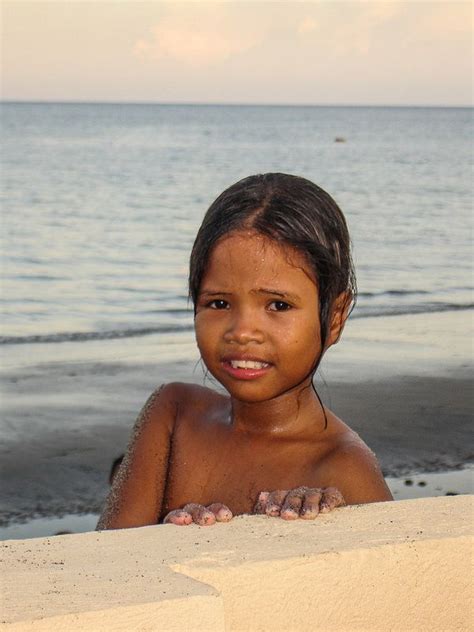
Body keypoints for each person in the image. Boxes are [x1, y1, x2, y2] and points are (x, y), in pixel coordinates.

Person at [97, 173, 392, 530]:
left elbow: (391, 580)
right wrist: (170, 536)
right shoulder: (172, 414)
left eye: (278, 306)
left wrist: (308, 527)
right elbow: (110, 559)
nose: (242, 332)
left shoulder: (345, 469)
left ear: (334, 318)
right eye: (219, 302)